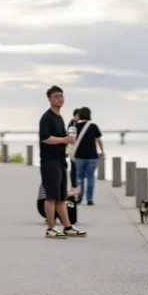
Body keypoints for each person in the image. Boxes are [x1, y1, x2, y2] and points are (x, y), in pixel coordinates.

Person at [39, 86, 87, 239]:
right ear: (49, 99)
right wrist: (64, 139)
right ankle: (51, 228)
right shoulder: (47, 118)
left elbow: (61, 139)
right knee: (51, 197)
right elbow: (45, 138)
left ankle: (67, 227)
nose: (60, 99)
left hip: (60, 161)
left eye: (61, 96)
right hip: (49, 161)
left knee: (61, 198)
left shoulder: (59, 118)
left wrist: (68, 140)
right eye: (56, 96)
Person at [71, 107, 104, 205]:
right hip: (92, 157)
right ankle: (89, 199)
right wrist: (102, 151)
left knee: (79, 177)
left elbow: (71, 141)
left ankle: (79, 197)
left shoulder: (75, 126)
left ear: (80, 115)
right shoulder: (93, 126)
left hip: (79, 156)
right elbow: (99, 140)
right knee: (90, 177)